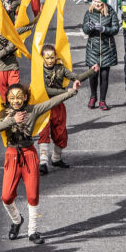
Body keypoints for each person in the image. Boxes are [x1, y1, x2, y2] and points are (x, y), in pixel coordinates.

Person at [0, 83, 78, 244]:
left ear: (25, 97)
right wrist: (13, 119)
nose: (16, 101)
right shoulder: (4, 112)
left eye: (19, 97)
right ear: (8, 99)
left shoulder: (33, 110)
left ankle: (32, 231)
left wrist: (72, 91)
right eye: (12, 98)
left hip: (29, 155)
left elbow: (52, 102)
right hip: (12, 155)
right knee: (6, 197)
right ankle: (17, 220)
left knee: (33, 195)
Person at [37, 44, 96, 175]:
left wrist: (92, 71)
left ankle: (56, 159)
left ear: (56, 56)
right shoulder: (38, 71)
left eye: (52, 57)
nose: (50, 60)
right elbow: (46, 90)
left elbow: (76, 78)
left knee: (60, 132)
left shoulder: (60, 69)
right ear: (42, 58)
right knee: (44, 132)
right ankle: (43, 162)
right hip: (44, 105)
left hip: (58, 106)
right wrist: (65, 92)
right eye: (47, 57)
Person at [82, 0, 119, 109]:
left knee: (104, 76)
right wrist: (90, 27)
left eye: (100, 3)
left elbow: (115, 29)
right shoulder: (89, 12)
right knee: (93, 75)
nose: (97, 5)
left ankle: (102, 101)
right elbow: (85, 29)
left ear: (104, 3)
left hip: (107, 48)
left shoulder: (111, 12)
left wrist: (104, 29)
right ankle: (93, 96)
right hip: (93, 48)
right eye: (96, 2)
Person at [0, 19, 34, 100]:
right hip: (1, 70)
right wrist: (12, 43)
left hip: (13, 67)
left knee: (15, 91)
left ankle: (17, 109)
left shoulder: (11, 32)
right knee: (5, 97)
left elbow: (27, 27)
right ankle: (9, 111)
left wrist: (39, 17)